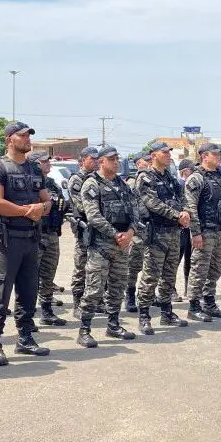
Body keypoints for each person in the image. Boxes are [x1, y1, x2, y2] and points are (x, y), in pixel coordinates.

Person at [0, 121, 52, 366]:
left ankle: (25, 338)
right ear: (10, 139)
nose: (28, 139)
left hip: (31, 239)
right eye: (23, 136)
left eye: (29, 135)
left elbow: (47, 200)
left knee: (28, 291)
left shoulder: (34, 168)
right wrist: (27, 211)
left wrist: (41, 207)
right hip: (7, 239)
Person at [77, 145, 138, 348]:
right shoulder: (92, 184)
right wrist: (115, 234)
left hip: (122, 245)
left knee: (117, 286)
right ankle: (84, 330)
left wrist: (130, 233)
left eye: (117, 158)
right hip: (101, 245)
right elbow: (93, 216)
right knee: (94, 288)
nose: (116, 162)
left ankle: (113, 325)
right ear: (101, 161)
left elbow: (135, 212)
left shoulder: (123, 185)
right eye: (111, 159)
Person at [135, 142, 189, 335]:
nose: (168, 155)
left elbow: (183, 198)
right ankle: (144, 316)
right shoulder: (145, 177)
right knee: (150, 275)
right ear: (153, 155)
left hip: (173, 232)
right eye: (164, 152)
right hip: (156, 232)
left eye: (169, 152)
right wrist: (177, 215)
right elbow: (152, 203)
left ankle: (167, 312)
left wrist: (184, 212)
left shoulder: (171, 178)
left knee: (169, 274)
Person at [185, 143, 221, 321]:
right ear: (204, 156)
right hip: (205, 231)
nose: (218, 156)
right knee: (199, 269)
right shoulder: (196, 178)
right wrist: (196, 233)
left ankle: (209, 302)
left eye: (218, 154)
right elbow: (191, 207)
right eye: (214, 154)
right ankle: (193, 306)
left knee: (215, 269)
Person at [27, 151, 67, 327]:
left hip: (51, 234)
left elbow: (62, 204)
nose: (48, 164)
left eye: (48, 161)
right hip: (35, 235)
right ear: (35, 164)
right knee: (29, 277)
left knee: (48, 275)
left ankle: (47, 311)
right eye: (44, 162)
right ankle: (27, 314)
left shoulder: (50, 183)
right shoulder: (28, 183)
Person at [68, 146, 99, 319]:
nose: (95, 161)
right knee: (81, 266)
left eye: (96, 159)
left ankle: (95, 300)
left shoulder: (97, 179)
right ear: (83, 161)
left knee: (96, 267)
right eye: (91, 159)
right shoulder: (77, 180)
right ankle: (77, 303)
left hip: (99, 228)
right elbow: (81, 205)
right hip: (84, 229)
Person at [125, 151, 150, 313]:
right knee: (133, 266)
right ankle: (130, 296)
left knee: (150, 266)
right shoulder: (132, 182)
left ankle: (147, 295)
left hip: (152, 230)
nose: (148, 163)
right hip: (138, 231)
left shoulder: (152, 180)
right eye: (145, 161)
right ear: (137, 164)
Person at [176, 159, 195, 299]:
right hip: (181, 228)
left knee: (190, 259)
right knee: (176, 259)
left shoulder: (193, 185)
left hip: (192, 228)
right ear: (184, 171)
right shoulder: (179, 184)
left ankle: (188, 288)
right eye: (191, 169)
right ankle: (170, 288)